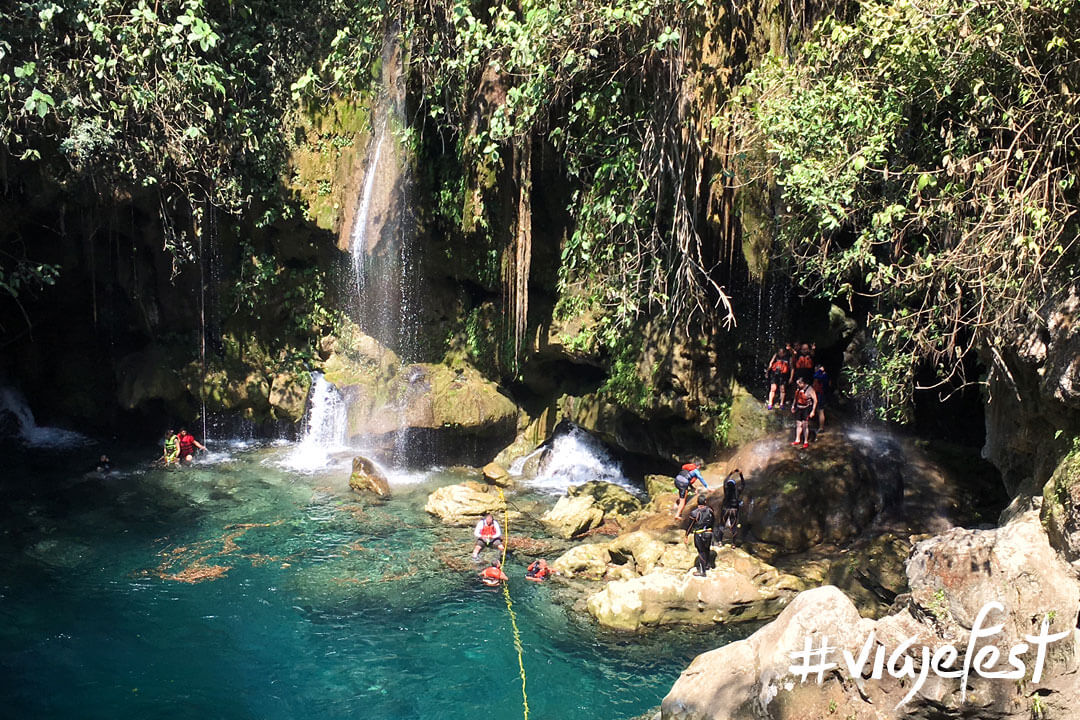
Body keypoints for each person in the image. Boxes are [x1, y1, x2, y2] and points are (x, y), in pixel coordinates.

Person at [684, 495, 715, 576]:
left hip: (699, 534)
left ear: (697, 502)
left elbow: (690, 526)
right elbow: (713, 521)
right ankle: (707, 565)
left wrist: (686, 535)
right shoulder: (710, 510)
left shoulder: (695, 513)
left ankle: (702, 571)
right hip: (709, 532)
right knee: (707, 549)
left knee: (701, 552)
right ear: (705, 502)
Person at [790, 376, 818, 449]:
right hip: (799, 408)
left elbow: (815, 400)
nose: (797, 385)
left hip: (806, 408)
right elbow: (796, 398)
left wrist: (813, 411)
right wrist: (793, 406)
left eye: (798, 384)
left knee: (805, 425)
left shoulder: (810, 389)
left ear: (802, 383)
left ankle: (805, 441)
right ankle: (797, 439)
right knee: (798, 424)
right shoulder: (798, 389)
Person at [719, 469, 745, 544]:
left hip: (725, 509)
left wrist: (730, 473)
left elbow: (724, 481)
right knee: (733, 527)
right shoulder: (737, 491)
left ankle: (720, 541)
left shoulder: (726, 490)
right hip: (734, 510)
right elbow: (743, 484)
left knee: (722, 525)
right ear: (734, 486)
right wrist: (741, 475)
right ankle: (733, 544)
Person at [812, 364, 830, 434]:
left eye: (816, 368)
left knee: (820, 410)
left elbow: (815, 376)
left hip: (821, 394)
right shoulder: (820, 374)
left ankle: (821, 427)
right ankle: (819, 425)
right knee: (817, 410)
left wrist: (819, 370)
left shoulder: (824, 375)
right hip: (817, 393)